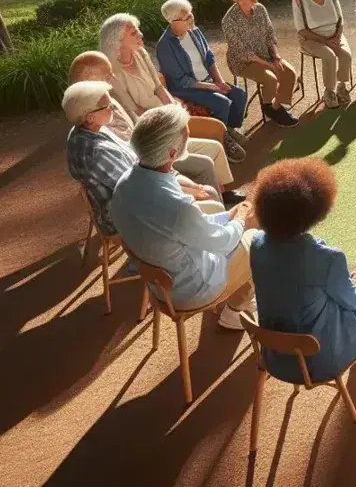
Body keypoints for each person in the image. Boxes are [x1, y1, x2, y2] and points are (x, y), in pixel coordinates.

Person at [108, 104, 259, 330]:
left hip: (161, 282)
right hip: (193, 289)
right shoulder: (176, 207)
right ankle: (235, 310)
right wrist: (241, 218)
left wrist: (227, 217)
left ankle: (238, 292)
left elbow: (187, 227)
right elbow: (222, 241)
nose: (189, 135)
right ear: (171, 153)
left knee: (222, 215)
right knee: (257, 238)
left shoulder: (124, 183)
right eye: (185, 133)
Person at [248, 157, 356, 383]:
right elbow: (352, 302)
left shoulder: (257, 243)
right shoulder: (327, 258)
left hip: (273, 356)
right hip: (318, 362)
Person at [69, 51, 240, 202]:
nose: (113, 79)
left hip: (147, 152)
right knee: (204, 170)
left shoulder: (98, 109)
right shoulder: (97, 135)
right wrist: (182, 186)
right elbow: (136, 184)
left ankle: (219, 198)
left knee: (210, 157)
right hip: (147, 163)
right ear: (88, 80)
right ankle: (214, 207)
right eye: (107, 76)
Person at [63, 81, 227, 234]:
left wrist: (176, 179)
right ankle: (218, 238)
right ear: (90, 117)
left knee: (203, 187)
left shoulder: (89, 129)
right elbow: (137, 190)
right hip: (128, 213)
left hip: (144, 182)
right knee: (208, 195)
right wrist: (188, 190)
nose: (113, 107)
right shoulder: (96, 153)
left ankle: (216, 228)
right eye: (107, 105)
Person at [101, 12, 246, 162]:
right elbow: (135, 111)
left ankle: (224, 136)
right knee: (208, 131)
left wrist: (175, 108)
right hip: (152, 123)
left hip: (167, 110)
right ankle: (216, 149)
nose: (140, 34)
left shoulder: (140, 53)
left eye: (137, 29)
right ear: (117, 42)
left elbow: (158, 87)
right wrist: (170, 119)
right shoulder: (113, 73)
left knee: (218, 127)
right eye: (133, 33)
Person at [155, 0, 251, 139]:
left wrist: (219, 81)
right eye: (185, 17)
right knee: (222, 102)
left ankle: (229, 129)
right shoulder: (164, 46)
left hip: (208, 80)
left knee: (239, 94)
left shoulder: (194, 32)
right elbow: (181, 80)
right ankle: (220, 138)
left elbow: (209, 58)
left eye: (190, 15)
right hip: (186, 88)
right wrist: (211, 87)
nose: (190, 20)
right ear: (172, 21)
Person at [221, 0, 299, 128]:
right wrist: (269, 65)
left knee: (289, 72)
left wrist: (276, 57)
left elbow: (270, 35)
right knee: (270, 78)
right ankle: (268, 105)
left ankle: (274, 107)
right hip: (243, 62)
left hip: (265, 54)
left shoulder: (260, 9)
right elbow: (243, 52)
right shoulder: (229, 21)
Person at [292, 0, 354, 109]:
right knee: (329, 56)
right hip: (312, 39)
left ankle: (342, 86)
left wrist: (337, 37)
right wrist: (325, 41)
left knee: (346, 55)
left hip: (334, 35)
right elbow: (301, 30)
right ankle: (329, 91)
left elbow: (340, 19)